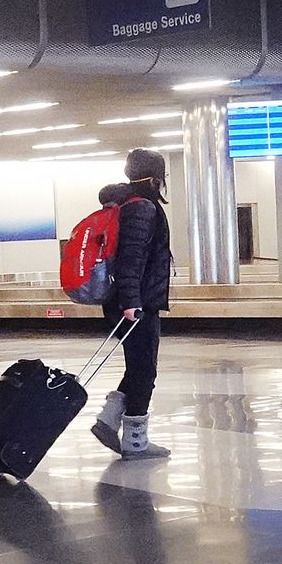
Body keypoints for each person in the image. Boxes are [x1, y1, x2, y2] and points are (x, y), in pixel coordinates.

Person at [90, 149, 173, 461]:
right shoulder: (142, 208)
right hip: (134, 303)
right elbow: (131, 258)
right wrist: (132, 302)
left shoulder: (124, 203)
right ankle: (135, 441)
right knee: (145, 371)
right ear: (155, 177)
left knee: (139, 367)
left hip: (129, 300)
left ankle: (108, 421)